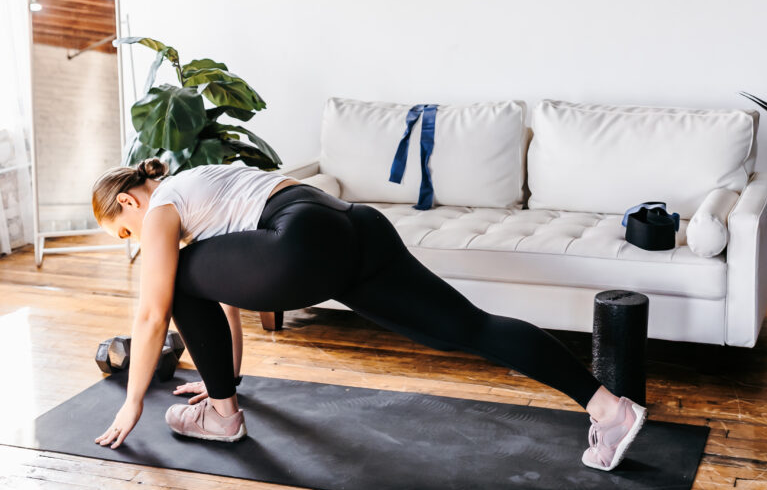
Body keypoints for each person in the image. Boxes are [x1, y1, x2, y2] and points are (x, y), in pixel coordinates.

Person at [91, 158, 648, 470]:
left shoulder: (164, 207)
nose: (134, 240)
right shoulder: (204, 184)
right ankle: (609, 409)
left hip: (302, 239)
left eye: (124, 232)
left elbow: (153, 314)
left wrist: (133, 404)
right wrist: (224, 381)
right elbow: (225, 299)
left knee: (174, 279)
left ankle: (222, 418)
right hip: (356, 227)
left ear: (130, 203)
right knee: (470, 327)